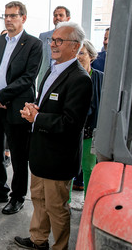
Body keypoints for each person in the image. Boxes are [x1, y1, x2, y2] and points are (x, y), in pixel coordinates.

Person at [15, 21, 92, 250]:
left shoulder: (80, 79)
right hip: (41, 152)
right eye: (53, 40)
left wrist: (37, 118)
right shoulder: (53, 68)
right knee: (39, 200)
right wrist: (35, 109)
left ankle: (60, 246)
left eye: (60, 41)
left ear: (75, 46)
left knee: (56, 208)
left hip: (58, 157)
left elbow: (71, 124)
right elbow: (48, 104)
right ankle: (39, 240)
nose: (53, 45)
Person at [0, 1, 43, 215]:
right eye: (6, 15)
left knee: (18, 155)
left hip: (17, 107)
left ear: (23, 18)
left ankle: (17, 197)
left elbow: (28, 78)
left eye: (13, 16)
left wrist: (2, 95)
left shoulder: (34, 44)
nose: (8, 19)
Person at [77, 40, 103, 197]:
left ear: (91, 56)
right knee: (68, 169)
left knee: (89, 168)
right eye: (76, 53)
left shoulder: (100, 78)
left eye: (82, 53)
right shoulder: (70, 76)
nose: (78, 57)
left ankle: (89, 204)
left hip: (89, 131)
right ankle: (64, 204)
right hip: (70, 129)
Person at [37, 6, 71, 87]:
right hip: (45, 78)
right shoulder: (43, 36)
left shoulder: (72, 37)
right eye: (55, 15)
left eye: (61, 15)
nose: (57, 18)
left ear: (68, 18)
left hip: (63, 79)